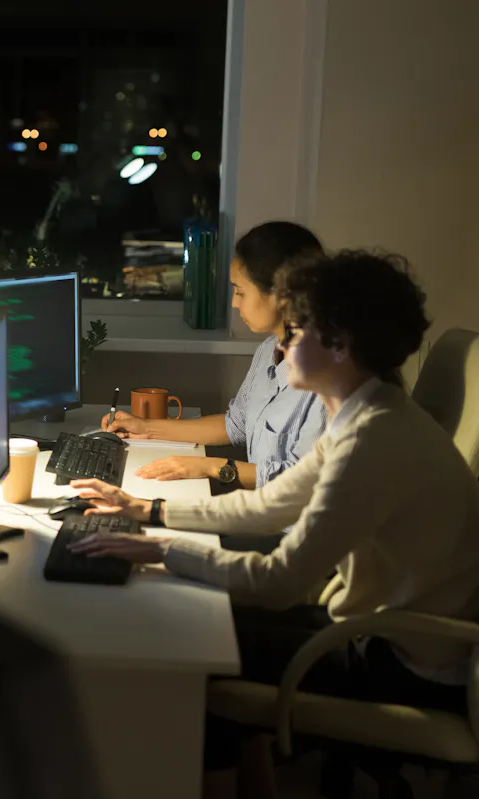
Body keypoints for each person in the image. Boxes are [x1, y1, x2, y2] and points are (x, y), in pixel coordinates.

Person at [68, 251, 479, 799]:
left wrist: (162, 551)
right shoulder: (365, 412)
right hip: (373, 633)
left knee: (191, 652)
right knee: (198, 619)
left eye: (296, 330)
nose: (281, 346)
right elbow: (269, 506)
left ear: (340, 344)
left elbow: (280, 580)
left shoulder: (373, 437)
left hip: (400, 663)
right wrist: (149, 512)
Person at [103, 221, 328, 492]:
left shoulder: (327, 377)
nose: (234, 303)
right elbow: (234, 425)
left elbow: (300, 483)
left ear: (281, 294)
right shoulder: (268, 350)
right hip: (258, 510)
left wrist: (208, 467)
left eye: (240, 291)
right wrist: (145, 427)